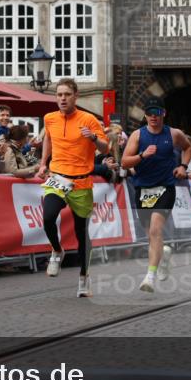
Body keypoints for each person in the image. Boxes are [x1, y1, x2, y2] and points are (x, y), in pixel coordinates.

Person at [35, 78, 108, 298]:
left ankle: (84, 278)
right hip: (58, 178)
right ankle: (57, 251)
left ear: (76, 96)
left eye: (67, 94)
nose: (63, 98)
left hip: (81, 182)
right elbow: (48, 138)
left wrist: (94, 138)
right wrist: (42, 163)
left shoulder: (89, 119)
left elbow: (105, 148)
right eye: (59, 95)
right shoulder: (49, 118)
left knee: (81, 233)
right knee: (48, 217)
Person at [120, 97, 191, 293]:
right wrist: (142, 155)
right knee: (150, 236)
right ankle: (164, 256)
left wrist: (183, 166)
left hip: (165, 187)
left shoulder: (174, 134)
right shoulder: (137, 135)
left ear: (163, 114)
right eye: (150, 113)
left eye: (157, 113)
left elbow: (188, 147)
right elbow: (125, 163)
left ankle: (149, 277)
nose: (153, 116)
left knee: (155, 231)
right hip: (142, 189)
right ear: (145, 115)